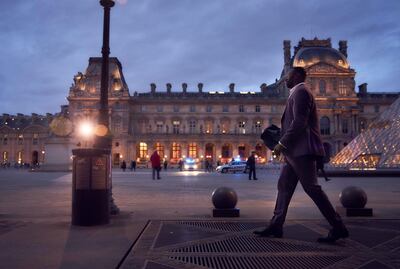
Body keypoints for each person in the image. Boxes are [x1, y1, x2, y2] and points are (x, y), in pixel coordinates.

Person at [254, 67, 348, 243]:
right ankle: (276, 224)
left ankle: (338, 227)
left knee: (312, 188)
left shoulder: (302, 92)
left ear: (296, 75)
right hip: (295, 151)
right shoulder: (297, 93)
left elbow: (299, 122)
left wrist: (282, 143)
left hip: (302, 151)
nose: (285, 80)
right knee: (284, 186)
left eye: (287, 76)